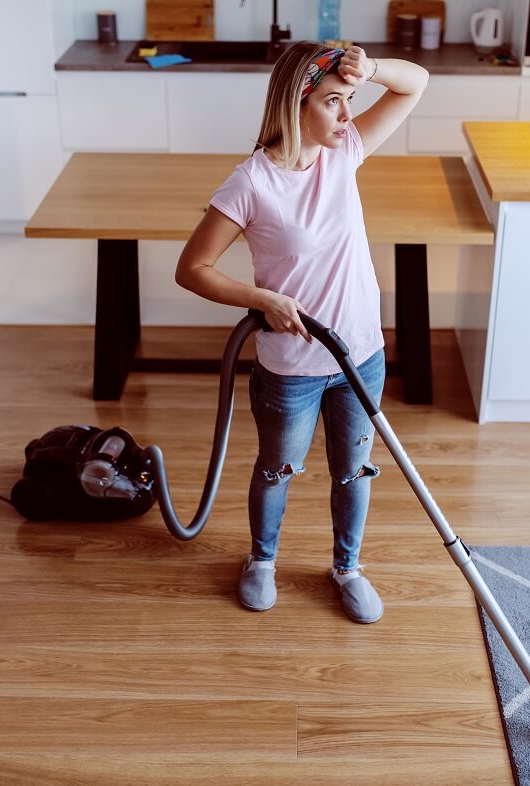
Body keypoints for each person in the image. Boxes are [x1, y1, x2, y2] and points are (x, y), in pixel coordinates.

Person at [175, 42, 428, 623]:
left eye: (350, 101)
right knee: (276, 469)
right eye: (334, 102)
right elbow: (192, 269)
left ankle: (348, 568)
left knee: (354, 469)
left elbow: (415, 83)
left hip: (360, 355)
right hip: (291, 365)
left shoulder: (344, 153)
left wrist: (370, 70)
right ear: (297, 103)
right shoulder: (252, 182)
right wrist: (258, 299)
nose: (346, 116)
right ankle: (261, 561)